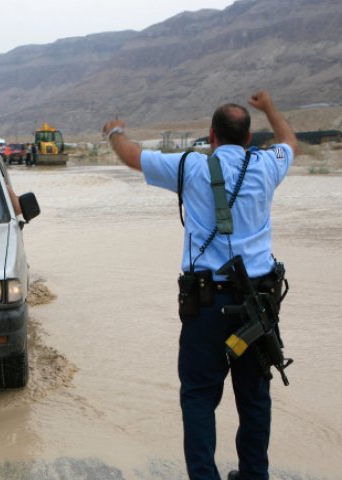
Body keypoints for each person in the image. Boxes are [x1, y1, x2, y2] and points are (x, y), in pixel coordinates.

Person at [102, 90, 297, 480]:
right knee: (255, 400)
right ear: (248, 138)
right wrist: (271, 108)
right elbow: (291, 143)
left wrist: (115, 133)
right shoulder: (267, 164)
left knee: (198, 398)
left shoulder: (189, 166)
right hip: (257, 309)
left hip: (207, 305)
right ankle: (254, 475)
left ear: (211, 136)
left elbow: (132, 157)